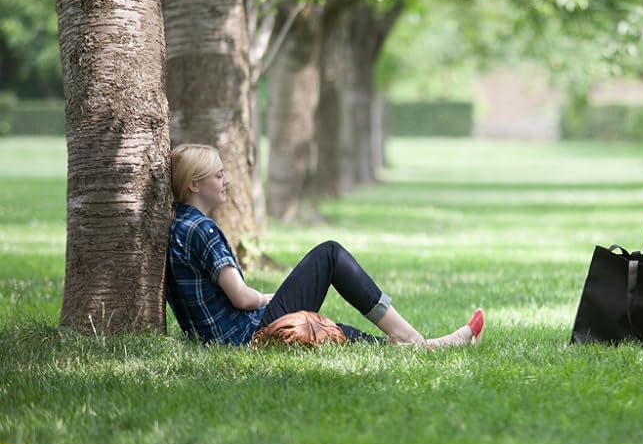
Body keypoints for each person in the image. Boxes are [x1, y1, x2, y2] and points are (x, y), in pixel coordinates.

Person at [166, 144, 484, 348]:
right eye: (219, 176)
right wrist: (274, 297)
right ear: (195, 184)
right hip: (245, 336)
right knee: (329, 254)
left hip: (218, 339)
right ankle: (409, 338)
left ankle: (417, 346)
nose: (227, 181)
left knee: (330, 329)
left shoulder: (178, 226)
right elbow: (242, 297)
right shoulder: (203, 230)